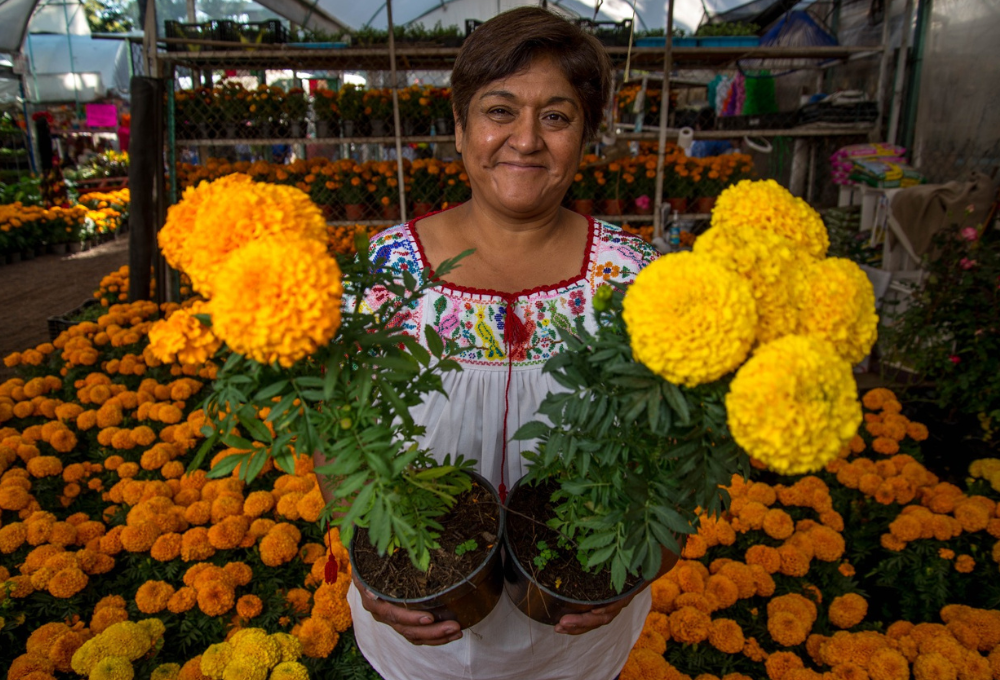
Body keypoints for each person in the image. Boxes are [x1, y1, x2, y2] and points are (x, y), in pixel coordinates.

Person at [320, 8, 676, 679]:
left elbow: (680, 445)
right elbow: (337, 430)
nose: (526, 139)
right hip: (423, 619)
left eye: (557, 116)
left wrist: (655, 554)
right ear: (460, 128)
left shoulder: (641, 280)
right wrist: (364, 554)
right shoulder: (383, 273)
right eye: (499, 111)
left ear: (587, 135)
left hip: (578, 627)